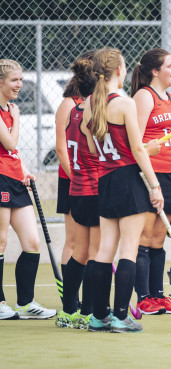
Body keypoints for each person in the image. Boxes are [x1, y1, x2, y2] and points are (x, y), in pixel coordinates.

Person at [83, 47, 163, 333]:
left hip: (105, 180)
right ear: (118, 70)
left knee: (105, 249)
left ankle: (98, 316)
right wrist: (155, 186)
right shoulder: (125, 103)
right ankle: (120, 316)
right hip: (128, 179)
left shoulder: (91, 102)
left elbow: (91, 146)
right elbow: (138, 149)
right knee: (128, 248)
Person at [131, 48, 171, 315]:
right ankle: (143, 298)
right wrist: (152, 179)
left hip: (168, 176)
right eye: (170, 66)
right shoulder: (144, 96)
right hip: (146, 174)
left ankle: (158, 295)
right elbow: (135, 141)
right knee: (143, 236)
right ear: (155, 71)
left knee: (158, 238)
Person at [0, 59, 56, 320]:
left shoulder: (9, 109)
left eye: (21, 80)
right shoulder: (8, 112)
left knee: (32, 242)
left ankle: (25, 303)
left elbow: (12, 150)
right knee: (0, 241)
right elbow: (10, 140)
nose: (19, 85)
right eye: (14, 80)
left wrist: (22, 170)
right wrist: (18, 117)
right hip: (0, 179)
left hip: (14, 178)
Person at [55, 55, 99, 329]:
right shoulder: (74, 108)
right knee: (83, 247)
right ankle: (78, 308)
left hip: (82, 182)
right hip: (82, 182)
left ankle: (76, 308)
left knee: (82, 248)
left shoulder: (79, 109)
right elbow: (63, 148)